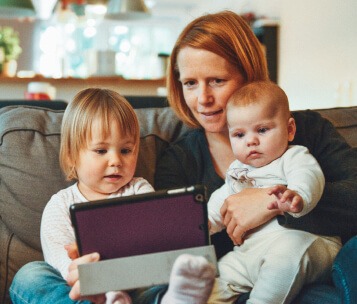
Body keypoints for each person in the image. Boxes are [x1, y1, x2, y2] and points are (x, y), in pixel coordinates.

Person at [152, 9, 357, 303]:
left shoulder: (306, 132)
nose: (203, 98)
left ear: (248, 76)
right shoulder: (179, 160)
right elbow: (177, 247)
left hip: (317, 273)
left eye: (217, 80)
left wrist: (271, 203)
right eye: (190, 83)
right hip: (236, 280)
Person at [10, 88, 216, 304]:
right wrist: (87, 276)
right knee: (30, 275)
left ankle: (172, 299)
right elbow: (59, 262)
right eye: (101, 151)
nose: (116, 161)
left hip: (135, 285)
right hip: (84, 291)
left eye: (125, 151)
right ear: (71, 155)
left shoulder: (139, 190)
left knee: (168, 274)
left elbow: (153, 243)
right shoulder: (60, 204)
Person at [206, 80, 341, 303]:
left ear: (289, 130)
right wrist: (204, 224)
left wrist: (297, 195)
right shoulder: (237, 172)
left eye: (262, 130)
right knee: (210, 282)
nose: (251, 141)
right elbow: (221, 202)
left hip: (306, 244)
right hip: (250, 254)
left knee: (285, 256)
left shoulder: (293, 156)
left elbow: (308, 176)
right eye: (239, 135)